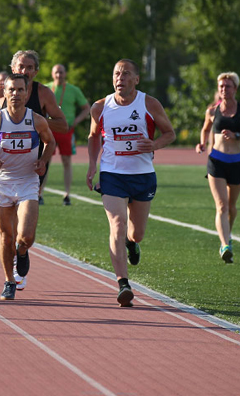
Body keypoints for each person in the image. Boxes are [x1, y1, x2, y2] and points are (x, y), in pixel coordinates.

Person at [86, 59, 176, 307]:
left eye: (126, 74)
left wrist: (154, 144)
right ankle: (123, 283)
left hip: (142, 174)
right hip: (112, 174)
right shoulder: (100, 107)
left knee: (137, 233)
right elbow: (94, 137)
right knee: (117, 222)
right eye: (116, 73)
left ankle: (131, 243)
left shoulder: (149, 103)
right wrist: (93, 165)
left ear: (136, 79)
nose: (120, 78)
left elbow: (170, 133)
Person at [0, 73, 55, 300]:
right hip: (2, 182)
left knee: (26, 236)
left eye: (21, 90)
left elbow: (51, 141)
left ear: (27, 92)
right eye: (12, 90)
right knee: (5, 236)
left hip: (28, 181)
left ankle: (22, 251)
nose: (16, 94)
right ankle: (9, 281)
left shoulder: (37, 120)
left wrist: (43, 161)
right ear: (5, 92)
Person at [0, 50, 68, 207]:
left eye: (29, 68)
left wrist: (34, 121)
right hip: (6, 164)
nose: (24, 71)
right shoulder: (1, 91)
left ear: (36, 72)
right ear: (13, 68)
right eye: (21, 66)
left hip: (33, 165)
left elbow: (63, 125)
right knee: (8, 225)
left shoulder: (43, 93)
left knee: (25, 219)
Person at [195, 72, 240, 263]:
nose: (224, 89)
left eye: (228, 86)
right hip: (216, 161)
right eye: (221, 86)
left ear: (235, 88)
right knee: (222, 206)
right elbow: (205, 129)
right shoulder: (212, 111)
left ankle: (228, 236)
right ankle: (225, 245)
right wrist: (202, 143)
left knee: (232, 207)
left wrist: (238, 136)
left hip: (237, 163)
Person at [44, 64, 90, 205]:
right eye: (56, 72)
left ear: (65, 74)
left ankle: (67, 194)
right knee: (45, 160)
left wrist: (75, 121)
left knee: (66, 161)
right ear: (52, 74)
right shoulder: (45, 88)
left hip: (66, 129)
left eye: (61, 72)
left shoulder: (73, 90)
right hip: (49, 129)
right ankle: (39, 193)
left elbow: (86, 108)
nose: (59, 75)